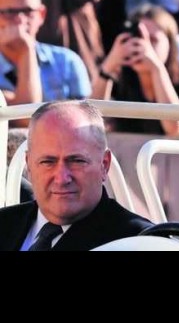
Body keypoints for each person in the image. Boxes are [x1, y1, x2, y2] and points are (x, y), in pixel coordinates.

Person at [0, 100, 153, 251]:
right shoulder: (5, 223)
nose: (61, 178)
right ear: (29, 165)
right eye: (48, 162)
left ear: (104, 165)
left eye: (77, 161)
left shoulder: (139, 242)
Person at [92, 4, 179, 137]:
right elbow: (90, 121)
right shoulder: (120, 84)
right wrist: (109, 66)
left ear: (170, 45)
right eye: (138, 38)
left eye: (153, 40)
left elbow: (173, 127)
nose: (143, 46)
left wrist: (156, 68)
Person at [0, 0, 90, 111]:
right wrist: (26, 52)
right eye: (9, 12)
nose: (20, 19)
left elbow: (85, 116)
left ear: (41, 15)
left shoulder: (67, 61)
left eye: (28, 11)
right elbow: (25, 115)